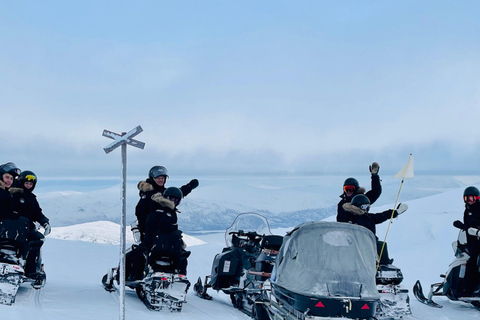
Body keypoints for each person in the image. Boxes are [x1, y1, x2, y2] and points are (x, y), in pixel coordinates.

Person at [341, 194, 408, 265]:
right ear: (356, 206)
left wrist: (395, 212)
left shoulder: (368, 217)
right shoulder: (349, 217)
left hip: (369, 244)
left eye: (367, 206)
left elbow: (381, 216)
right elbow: (342, 221)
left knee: (381, 245)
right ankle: (384, 264)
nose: (366, 209)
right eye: (364, 206)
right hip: (357, 244)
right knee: (380, 245)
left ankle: (382, 264)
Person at [11, 170, 51, 279]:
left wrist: (44, 222)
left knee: (37, 239)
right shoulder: (13, 194)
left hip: (26, 227)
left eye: (30, 184)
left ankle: (30, 267)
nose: (28, 186)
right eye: (26, 183)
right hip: (15, 228)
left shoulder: (31, 198)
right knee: (36, 240)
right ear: (21, 182)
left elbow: (37, 212)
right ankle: (30, 270)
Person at [143, 187, 190, 276]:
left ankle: (180, 275)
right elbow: (152, 229)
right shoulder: (160, 210)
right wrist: (147, 246)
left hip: (166, 245)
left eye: (177, 200)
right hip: (159, 244)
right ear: (167, 198)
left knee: (182, 255)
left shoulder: (169, 210)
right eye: (173, 199)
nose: (174, 202)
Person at [461, 186, 480, 297]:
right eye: (467, 199)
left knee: (472, 264)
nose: (470, 201)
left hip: (478, 241)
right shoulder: (467, 210)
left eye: (472, 198)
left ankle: (468, 291)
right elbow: (468, 225)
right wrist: (463, 226)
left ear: (477, 198)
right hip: (471, 241)